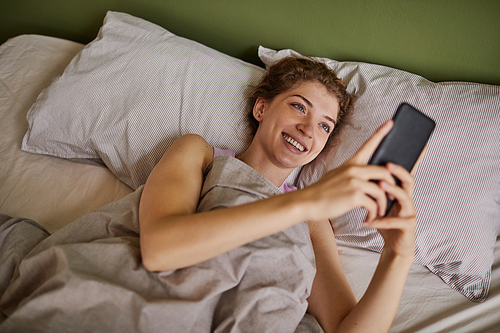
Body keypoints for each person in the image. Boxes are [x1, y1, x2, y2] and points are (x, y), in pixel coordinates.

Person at [138, 57, 417, 333]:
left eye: (324, 126)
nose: (308, 129)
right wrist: (305, 202)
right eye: (298, 106)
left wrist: (398, 255)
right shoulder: (199, 154)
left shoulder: (314, 222)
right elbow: (159, 250)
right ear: (261, 108)